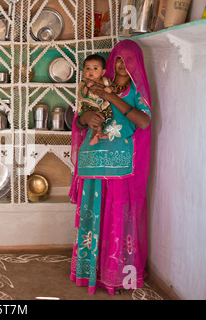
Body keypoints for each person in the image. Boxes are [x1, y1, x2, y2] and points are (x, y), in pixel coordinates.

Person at [69, 39, 152, 295]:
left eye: (128, 59)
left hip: (120, 165)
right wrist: (85, 117)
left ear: (136, 64)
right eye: (117, 58)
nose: (122, 64)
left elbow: (144, 122)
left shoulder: (136, 92)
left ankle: (116, 275)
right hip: (93, 160)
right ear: (111, 62)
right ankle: (88, 272)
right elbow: (80, 118)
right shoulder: (95, 86)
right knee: (92, 217)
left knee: (119, 219)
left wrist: (111, 97)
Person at [78, 54, 117, 145]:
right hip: (89, 105)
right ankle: (95, 135)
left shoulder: (106, 81)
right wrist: (87, 87)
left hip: (102, 106)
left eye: (95, 68)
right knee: (94, 119)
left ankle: (98, 133)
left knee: (101, 119)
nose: (91, 71)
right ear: (84, 71)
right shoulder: (84, 82)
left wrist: (110, 89)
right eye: (88, 68)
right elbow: (81, 94)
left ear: (102, 72)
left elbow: (114, 89)